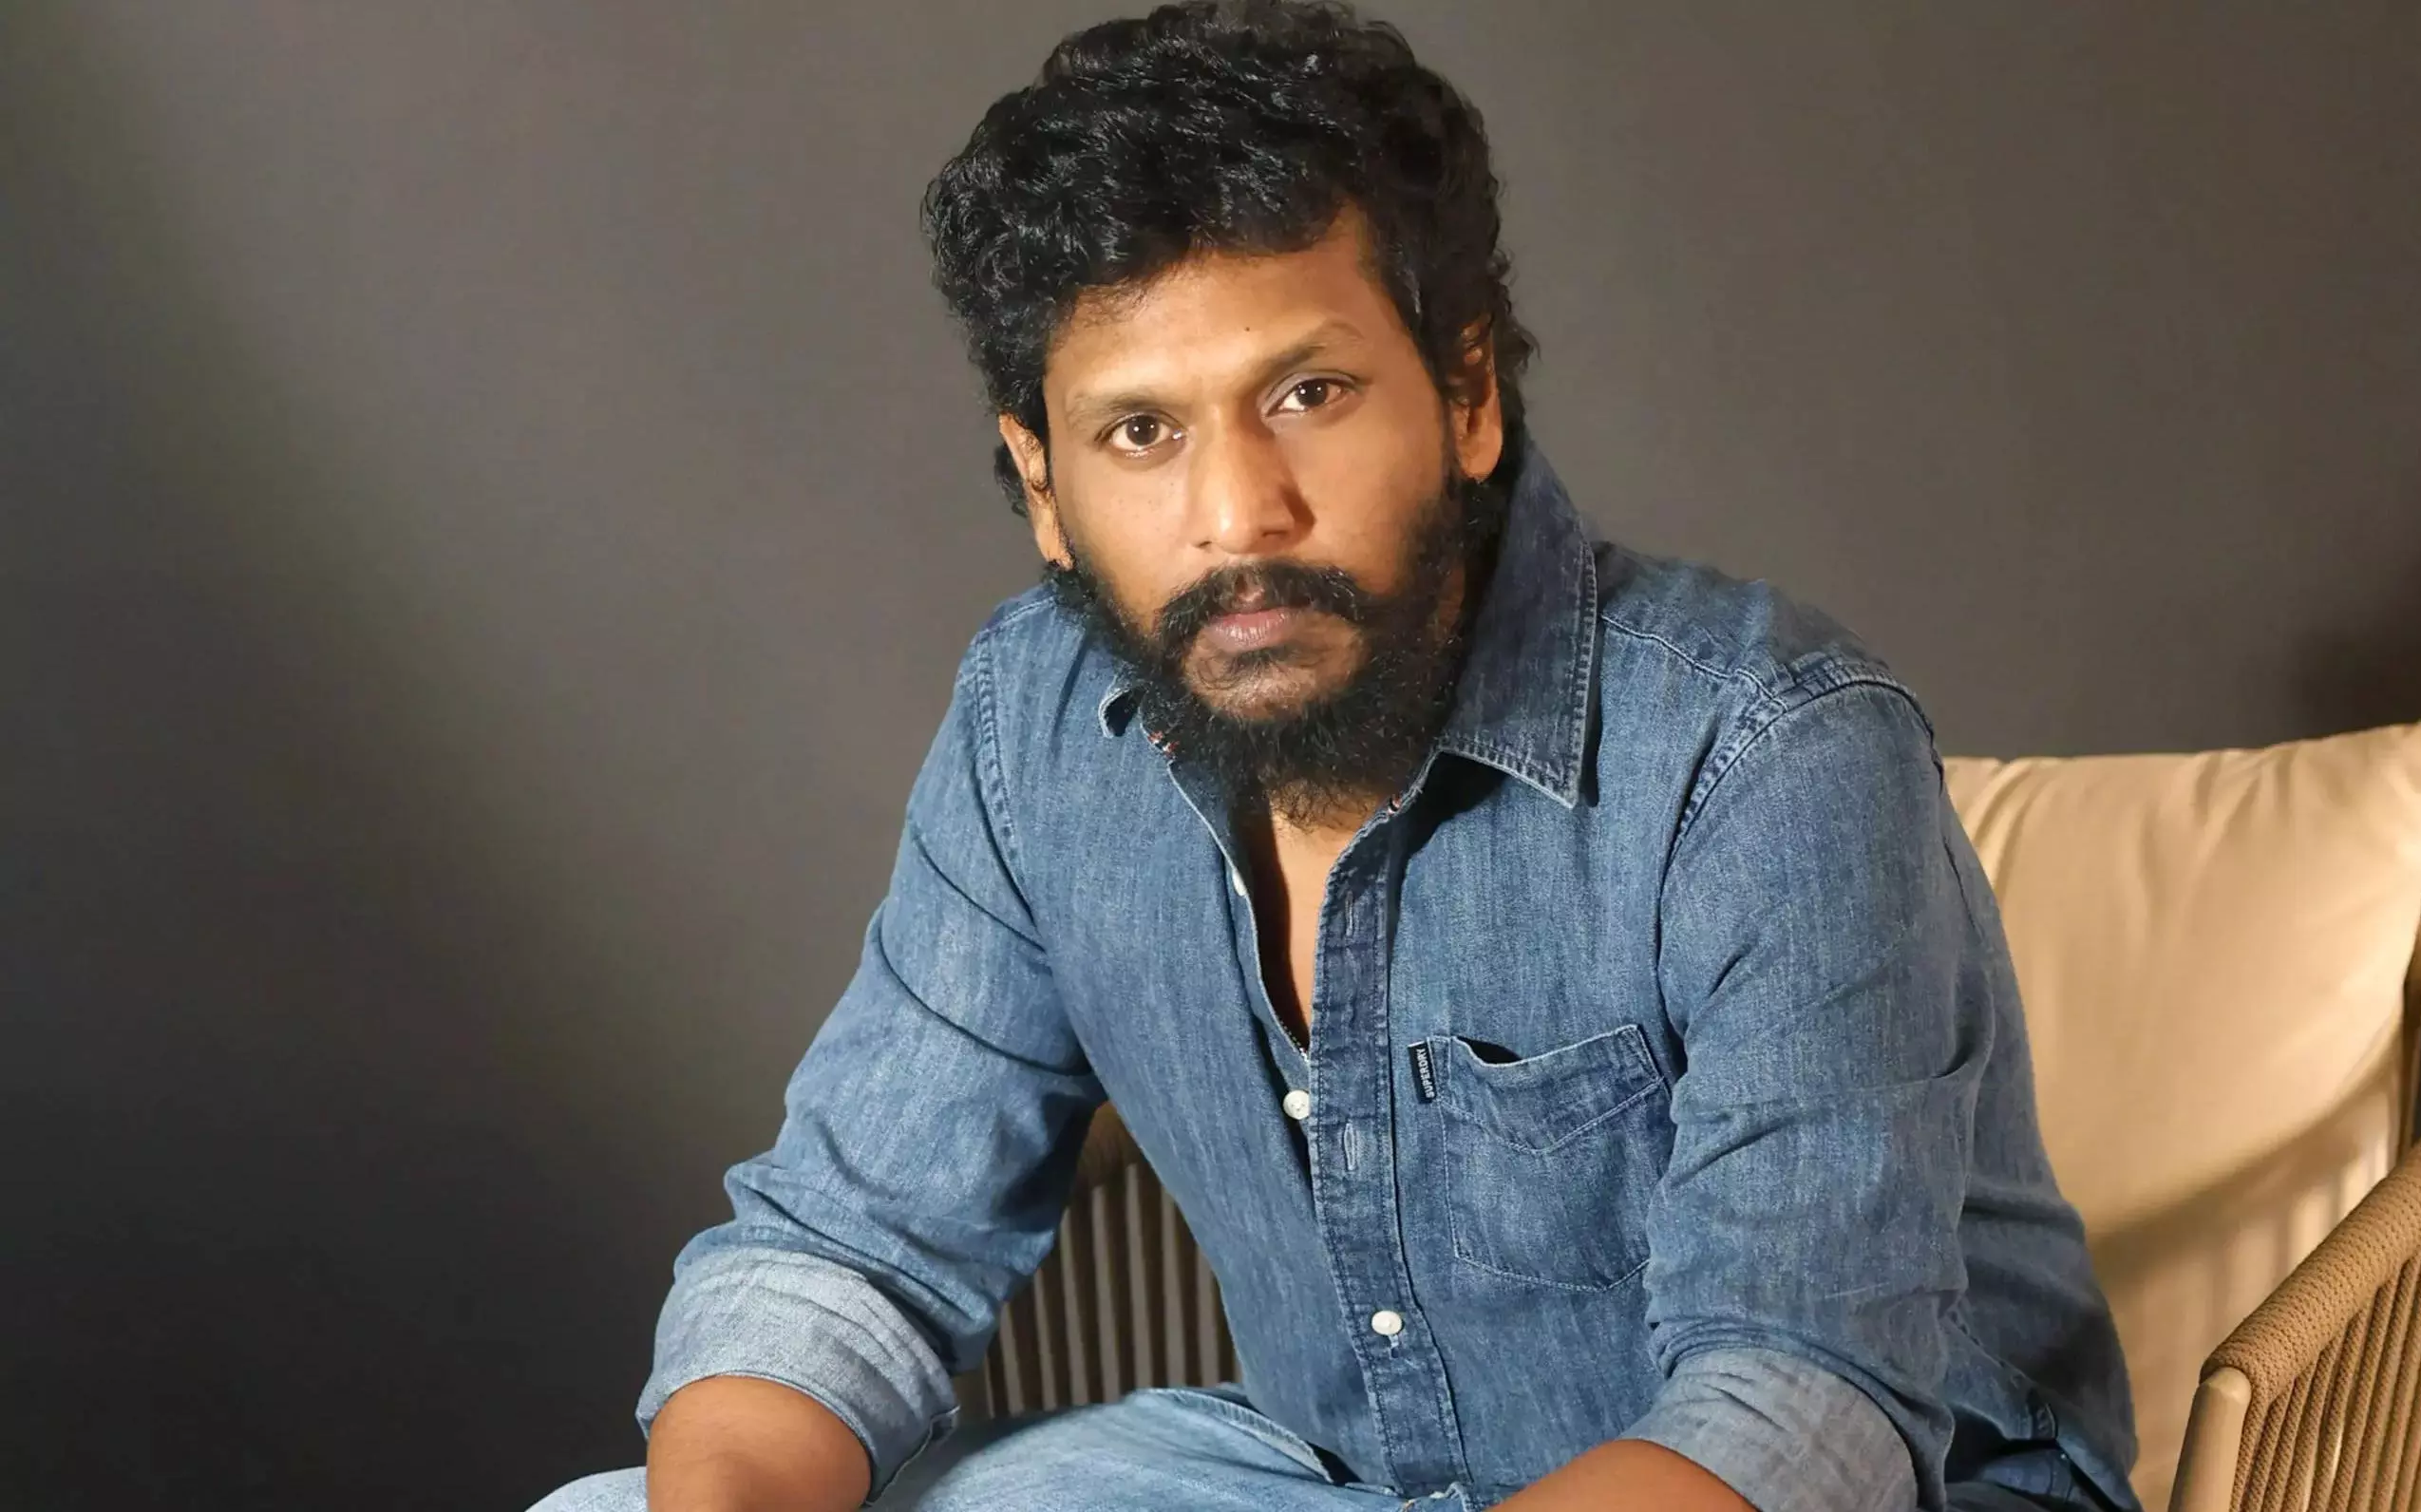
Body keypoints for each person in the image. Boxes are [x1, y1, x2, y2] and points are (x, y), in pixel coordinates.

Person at [533, 4, 2138, 1508]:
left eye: (1308, 392)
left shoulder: (1771, 752)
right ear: (1041, 484)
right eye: (1141, 432)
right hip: (1336, 1476)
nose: (1240, 517)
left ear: (1467, 394)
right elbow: (845, 1247)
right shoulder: (1036, 726)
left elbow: (1796, 1406)